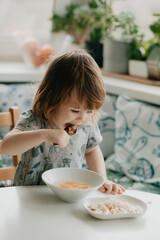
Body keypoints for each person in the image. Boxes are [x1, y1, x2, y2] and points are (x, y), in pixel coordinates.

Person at [1, 49, 125, 194]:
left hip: (69, 193)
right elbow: (6, 147)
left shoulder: (86, 125)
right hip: (30, 195)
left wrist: (102, 178)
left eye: (90, 111)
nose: (82, 119)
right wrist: (44, 135)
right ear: (51, 98)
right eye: (75, 111)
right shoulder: (34, 120)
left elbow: (92, 150)